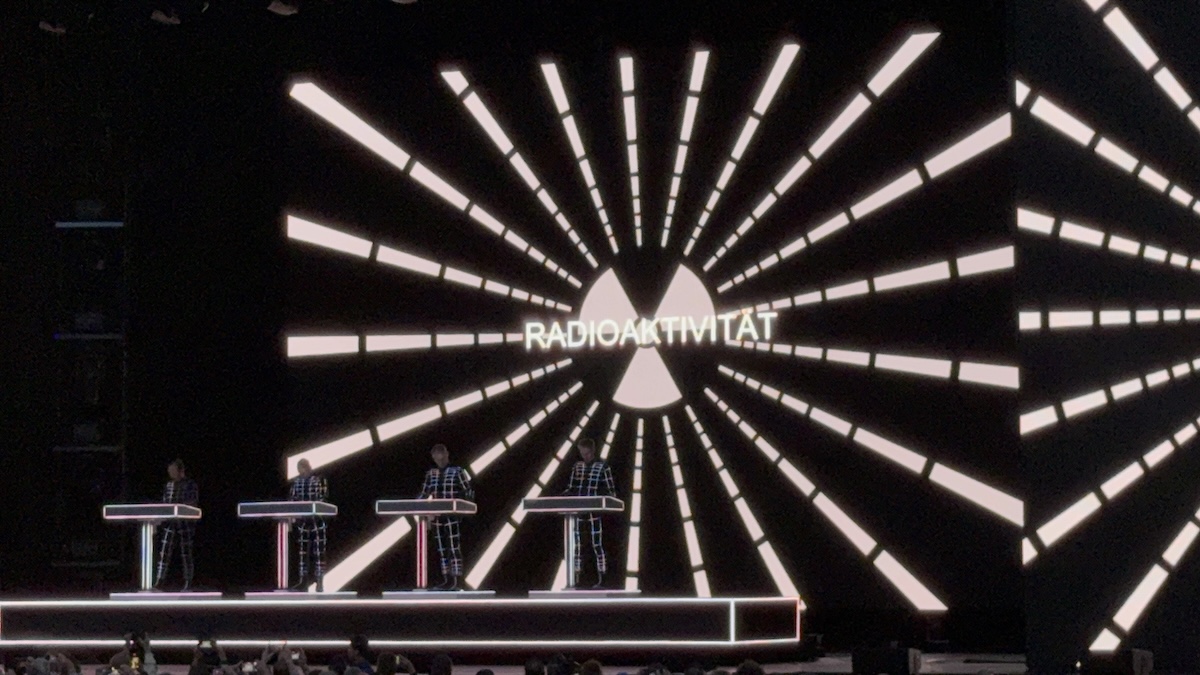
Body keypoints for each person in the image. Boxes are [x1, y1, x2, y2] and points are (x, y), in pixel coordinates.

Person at [561, 438, 616, 588]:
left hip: (595, 512)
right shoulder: (577, 467)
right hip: (578, 512)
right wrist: (564, 497)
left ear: (592, 451)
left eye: (587, 453)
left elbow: (611, 491)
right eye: (582, 453)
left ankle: (603, 578)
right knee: (577, 546)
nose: (585, 456)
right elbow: (571, 488)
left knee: (597, 544)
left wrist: (602, 501)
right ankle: (576, 578)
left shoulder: (603, 467)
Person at [417, 444, 474, 590]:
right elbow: (424, 494)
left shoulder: (457, 471)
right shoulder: (431, 474)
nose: (439, 458)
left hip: (453, 516)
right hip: (437, 517)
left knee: (454, 547)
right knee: (442, 549)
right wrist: (417, 506)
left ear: (447, 454)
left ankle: (457, 580)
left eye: (441, 454)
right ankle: (447, 579)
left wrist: (464, 510)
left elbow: (467, 491)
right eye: (435, 455)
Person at [155, 459, 199, 591]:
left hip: (185, 523)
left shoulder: (190, 485)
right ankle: (160, 580)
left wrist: (183, 511)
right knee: (164, 552)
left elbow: (192, 503)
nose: (171, 473)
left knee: (186, 553)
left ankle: (188, 581)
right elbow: (165, 503)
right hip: (170, 523)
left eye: (173, 470)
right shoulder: (168, 485)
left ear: (180, 471)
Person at [288, 459, 330, 591]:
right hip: (303, 521)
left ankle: (320, 582)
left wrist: (315, 509)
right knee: (303, 552)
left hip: (317, 520)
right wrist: (293, 518)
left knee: (319, 551)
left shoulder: (319, 480)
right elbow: (292, 500)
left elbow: (324, 497)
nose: (299, 470)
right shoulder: (297, 482)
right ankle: (303, 582)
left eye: (300, 467)